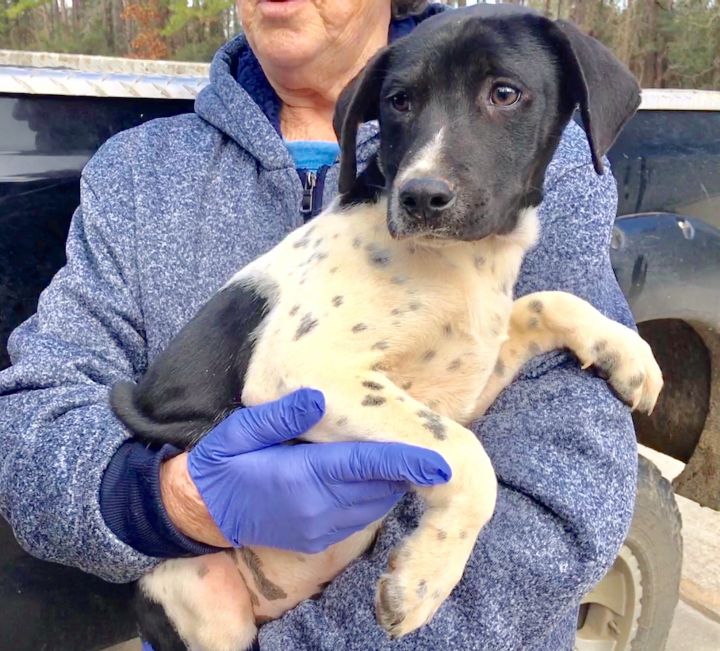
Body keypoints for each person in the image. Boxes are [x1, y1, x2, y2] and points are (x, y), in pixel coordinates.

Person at [0, 1, 639, 649]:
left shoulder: (550, 154)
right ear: (370, 118)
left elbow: (562, 495)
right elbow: (31, 424)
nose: (432, 161)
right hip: (215, 596)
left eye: (503, 96)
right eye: (401, 104)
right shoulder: (138, 173)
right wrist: (167, 500)